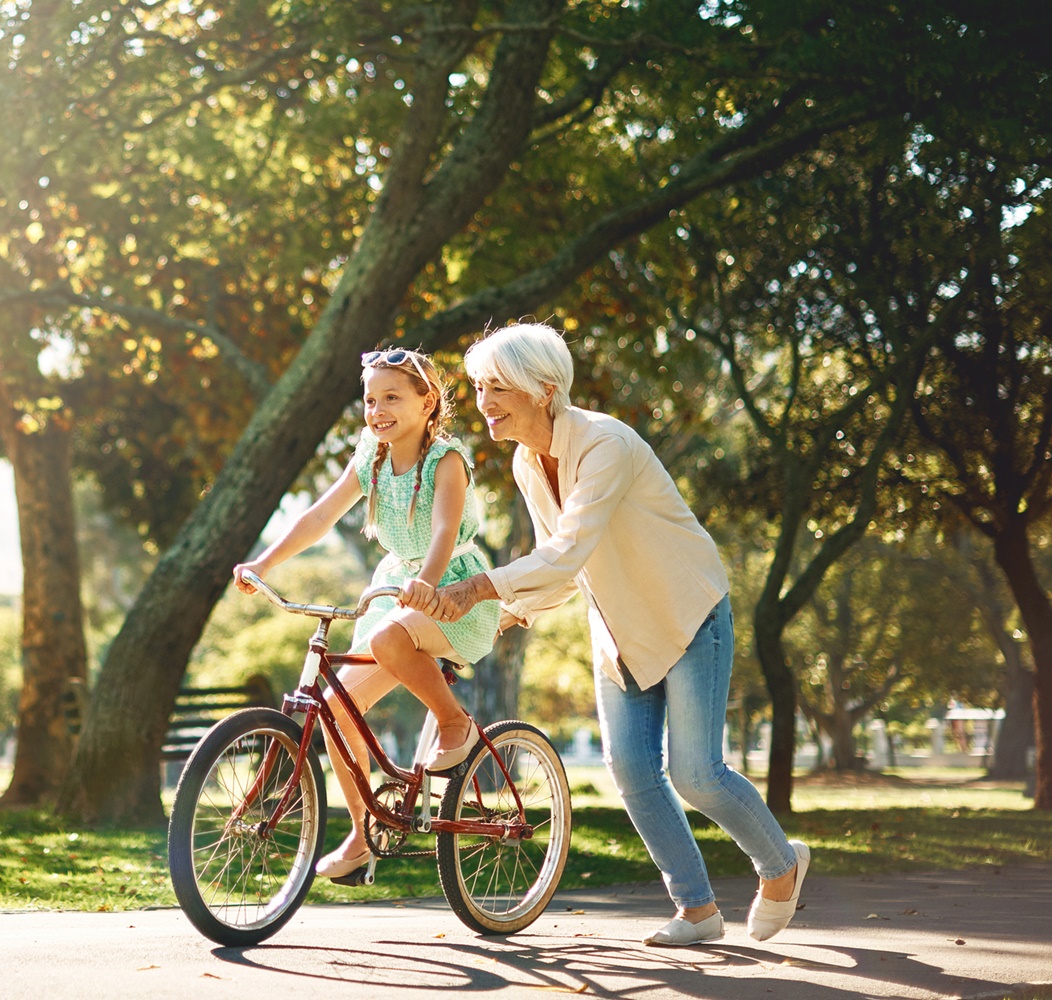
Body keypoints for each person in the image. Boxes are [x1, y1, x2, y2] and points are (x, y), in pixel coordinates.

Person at [406, 323, 809, 946]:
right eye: (480, 386)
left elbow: (565, 554)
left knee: (696, 774)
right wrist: (502, 618)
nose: (484, 401)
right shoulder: (525, 461)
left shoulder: (604, 444)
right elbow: (560, 569)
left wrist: (475, 589)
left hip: (687, 614)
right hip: (618, 630)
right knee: (632, 772)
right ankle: (697, 910)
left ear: (543, 389)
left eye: (497, 387)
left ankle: (781, 865)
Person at [232, 348, 501, 881]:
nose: (378, 410)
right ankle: (363, 834)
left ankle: (456, 724)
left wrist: (426, 581)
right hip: (399, 584)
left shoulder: (445, 459)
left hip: (453, 589)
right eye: (370, 400)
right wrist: (264, 561)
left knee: (387, 642)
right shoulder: (371, 457)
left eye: (392, 398)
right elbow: (320, 515)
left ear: (428, 403)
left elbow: (446, 529)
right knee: (335, 708)